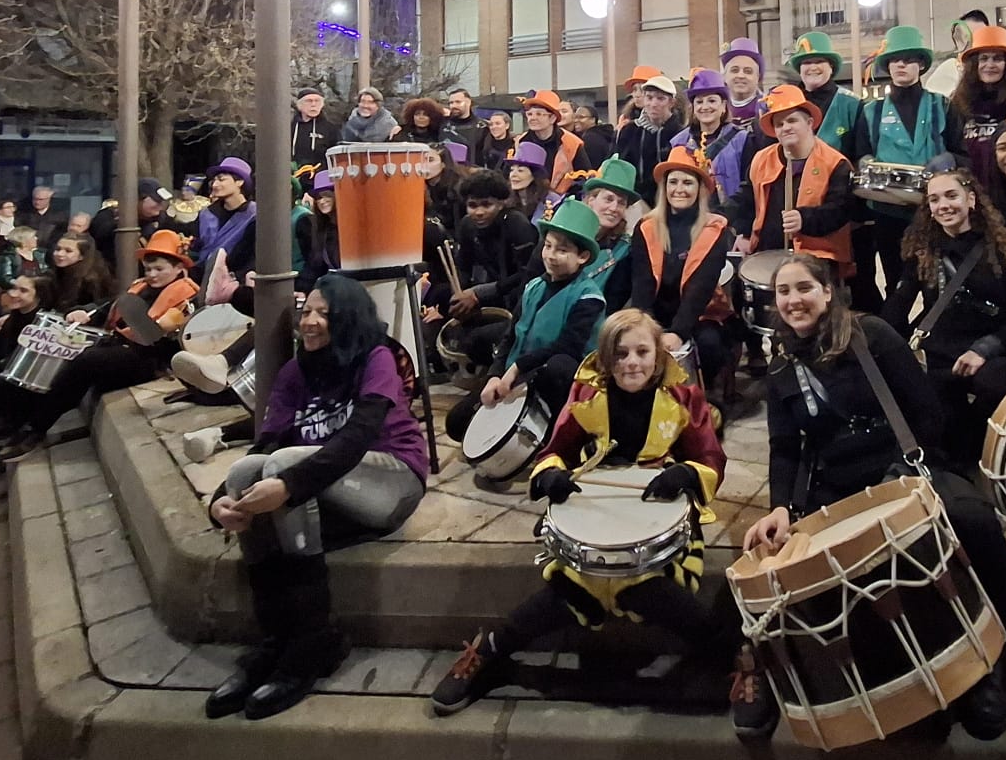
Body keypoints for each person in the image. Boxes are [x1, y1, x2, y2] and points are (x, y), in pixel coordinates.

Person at [740, 252, 1006, 742]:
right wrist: (780, 506)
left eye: (804, 288)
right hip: (838, 484)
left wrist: (904, 473)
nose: (793, 300)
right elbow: (785, 448)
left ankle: (986, 664)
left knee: (973, 521)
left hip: (905, 467)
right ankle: (767, 673)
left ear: (827, 292)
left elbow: (927, 413)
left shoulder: (874, 336)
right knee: (773, 563)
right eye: (784, 292)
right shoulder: (781, 363)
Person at [431, 311, 735, 720]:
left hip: (659, 518)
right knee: (572, 586)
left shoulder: (684, 397)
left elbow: (709, 457)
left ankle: (738, 658)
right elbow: (555, 448)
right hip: (593, 511)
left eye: (642, 352)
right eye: (621, 353)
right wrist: (552, 473)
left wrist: (685, 472)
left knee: (644, 588)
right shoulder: (587, 394)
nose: (632, 362)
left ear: (658, 356)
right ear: (606, 358)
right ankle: (489, 650)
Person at [207, 273, 429, 720]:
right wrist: (220, 503)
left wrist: (288, 485)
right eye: (306, 311)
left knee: (284, 468)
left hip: (390, 483)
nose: (309, 321)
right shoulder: (295, 371)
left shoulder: (376, 357)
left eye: (322, 314)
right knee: (247, 470)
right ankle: (278, 641)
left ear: (347, 318)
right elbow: (263, 448)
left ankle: (310, 645)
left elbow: (356, 438)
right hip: (327, 491)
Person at [0, 229, 201, 460]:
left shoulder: (186, 294)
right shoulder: (141, 286)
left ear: (179, 268)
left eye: (159, 269)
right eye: (149, 268)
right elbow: (110, 306)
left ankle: (35, 428)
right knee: (57, 348)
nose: (152, 274)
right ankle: (16, 421)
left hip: (149, 357)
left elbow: (155, 334)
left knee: (83, 361)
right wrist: (86, 312)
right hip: (119, 343)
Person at [882, 169, 1006, 462]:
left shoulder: (1003, 249)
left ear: (971, 199)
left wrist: (985, 349)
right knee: (939, 434)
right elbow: (898, 305)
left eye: (951, 195)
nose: (943, 205)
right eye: (934, 199)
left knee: (995, 385)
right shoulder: (922, 250)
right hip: (940, 354)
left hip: (991, 352)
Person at [445, 199, 609, 444]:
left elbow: (567, 348)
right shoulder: (534, 285)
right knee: (456, 423)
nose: (551, 256)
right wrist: (495, 374)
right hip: (519, 373)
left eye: (562, 250)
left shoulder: (589, 297)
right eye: (548, 246)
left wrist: (517, 369)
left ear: (583, 256)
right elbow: (510, 336)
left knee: (559, 364)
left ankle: (558, 433)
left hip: (554, 378)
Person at [850, 25, 951, 302]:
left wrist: (947, 160)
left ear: (921, 64)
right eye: (895, 59)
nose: (901, 65)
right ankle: (897, 341)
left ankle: (933, 340)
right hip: (887, 213)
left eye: (908, 59)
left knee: (936, 283)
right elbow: (861, 153)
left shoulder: (942, 105)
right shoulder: (871, 111)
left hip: (935, 211)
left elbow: (959, 151)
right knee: (895, 284)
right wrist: (868, 163)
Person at [628, 146, 737, 399]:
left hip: (702, 315)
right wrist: (644, 324)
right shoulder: (645, 227)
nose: (679, 189)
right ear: (664, 187)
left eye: (688, 182)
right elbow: (641, 283)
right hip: (657, 313)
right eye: (673, 182)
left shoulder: (715, 229)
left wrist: (678, 332)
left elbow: (701, 288)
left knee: (709, 345)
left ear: (700, 189)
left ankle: (703, 399)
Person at [728, 85, 855, 275]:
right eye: (779, 124)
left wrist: (805, 219)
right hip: (766, 253)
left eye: (792, 120)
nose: (785, 127)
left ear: (809, 123)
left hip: (818, 258)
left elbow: (840, 211)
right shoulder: (761, 159)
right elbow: (745, 200)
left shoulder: (836, 163)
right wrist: (743, 233)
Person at [432, 169, 538, 374]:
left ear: (501, 203)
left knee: (476, 340)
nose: (478, 212)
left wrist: (478, 294)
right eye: (472, 205)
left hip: (519, 297)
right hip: (493, 292)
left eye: (486, 205)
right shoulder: (467, 225)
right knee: (441, 296)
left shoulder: (517, 224)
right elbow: (462, 267)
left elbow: (527, 276)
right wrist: (459, 296)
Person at [943, 24, 1006, 182]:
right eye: (983, 58)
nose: (990, 65)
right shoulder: (958, 105)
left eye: (997, 58)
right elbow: (952, 152)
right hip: (972, 196)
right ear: (974, 65)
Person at [670, 69, 750, 201]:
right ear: (693, 108)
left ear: (723, 106)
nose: (705, 106)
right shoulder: (678, 142)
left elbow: (747, 186)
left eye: (712, 101)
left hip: (732, 216)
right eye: (699, 102)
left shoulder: (742, 139)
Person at [576, 158, 642, 310]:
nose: (614, 208)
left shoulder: (625, 251)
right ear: (591, 199)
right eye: (608, 199)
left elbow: (613, 303)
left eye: (621, 202)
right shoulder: (565, 230)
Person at [784, 31, 861, 154]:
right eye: (807, 62)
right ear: (800, 69)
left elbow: (860, 153)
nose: (813, 67)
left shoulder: (852, 104)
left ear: (831, 67)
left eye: (819, 61)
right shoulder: (787, 103)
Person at [192, 158, 258, 284]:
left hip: (235, 280)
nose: (215, 185)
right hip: (199, 277)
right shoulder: (206, 214)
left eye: (221, 179)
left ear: (239, 182)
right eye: (214, 180)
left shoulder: (254, 215)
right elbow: (196, 247)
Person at [614, 74, 681, 183]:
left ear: (671, 103)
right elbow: (619, 168)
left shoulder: (680, 133)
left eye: (660, 98)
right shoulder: (629, 131)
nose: (653, 104)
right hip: (636, 197)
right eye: (649, 98)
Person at [89, 178, 164, 265]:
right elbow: (100, 233)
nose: (160, 205)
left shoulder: (160, 219)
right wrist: (121, 224)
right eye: (157, 201)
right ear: (139, 199)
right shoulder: (108, 215)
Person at [517, 90, 585, 184]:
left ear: (552, 118)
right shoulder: (520, 142)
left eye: (539, 114)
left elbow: (584, 177)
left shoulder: (572, 143)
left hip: (564, 197)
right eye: (529, 114)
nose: (532, 118)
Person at [45, 232, 117, 317]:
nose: (60, 254)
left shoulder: (91, 280)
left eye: (68, 251)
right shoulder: (53, 273)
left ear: (82, 256)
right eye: (58, 249)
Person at [295, 170, 344, 290]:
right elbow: (315, 264)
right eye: (318, 197)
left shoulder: (347, 227)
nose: (322, 201)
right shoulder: (321, 229)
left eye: (327, 195)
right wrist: (301, 288)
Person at [290, 89, 338, 194]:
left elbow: (335, 158)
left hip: (319, 182)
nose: (313, 105)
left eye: (317, 101)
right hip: (292, 180)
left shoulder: (330, 129)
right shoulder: (289, 128)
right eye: (309, 101)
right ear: (299, 105)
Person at [504, 142, 560, 224]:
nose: (513, 175)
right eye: (512, 170)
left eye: (520, 170)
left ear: (534, 176)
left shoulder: (552, 202)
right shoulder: (506, 200)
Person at [719, 37, 768, 125]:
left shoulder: (768, 108)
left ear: (758, 78)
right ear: (724, 76)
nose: (741, 75)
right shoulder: (716, 109)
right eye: (734, 70)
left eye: (748, 71)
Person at [443, 87, 487, 157]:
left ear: (468, 102)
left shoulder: (483, 127)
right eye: (451, 103)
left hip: (474, 167)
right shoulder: (442, 124)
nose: (453, 106)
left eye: (458, 102)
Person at [571, 102, 616, 166]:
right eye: (575, 117)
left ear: (593, 120)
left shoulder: (589, 138)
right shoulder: (602, 134)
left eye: (581, 117)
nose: (576, 120)